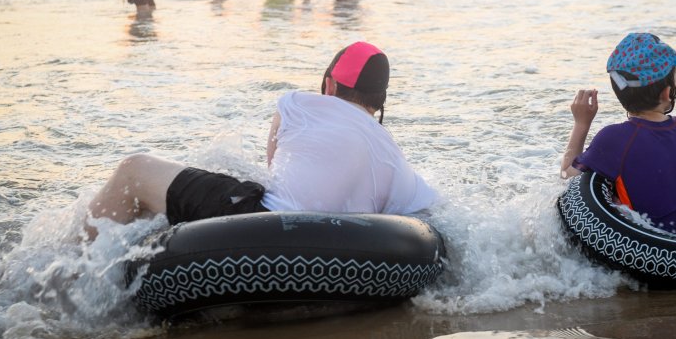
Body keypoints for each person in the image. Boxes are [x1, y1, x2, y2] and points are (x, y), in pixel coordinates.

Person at [86, 41, 437, 239]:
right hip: (342, 249)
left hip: (266, 227)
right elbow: (425, 213)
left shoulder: (296, 104)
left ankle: (65, 272)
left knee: (134, 170)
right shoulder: (395, 158)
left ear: (329, 85)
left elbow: (275, 174)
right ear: (379, 102)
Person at [560, 33, 676, 236]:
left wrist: (581, 123)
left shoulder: (614, 138)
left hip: (652, 254)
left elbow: (566, 176)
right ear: (666, 93)